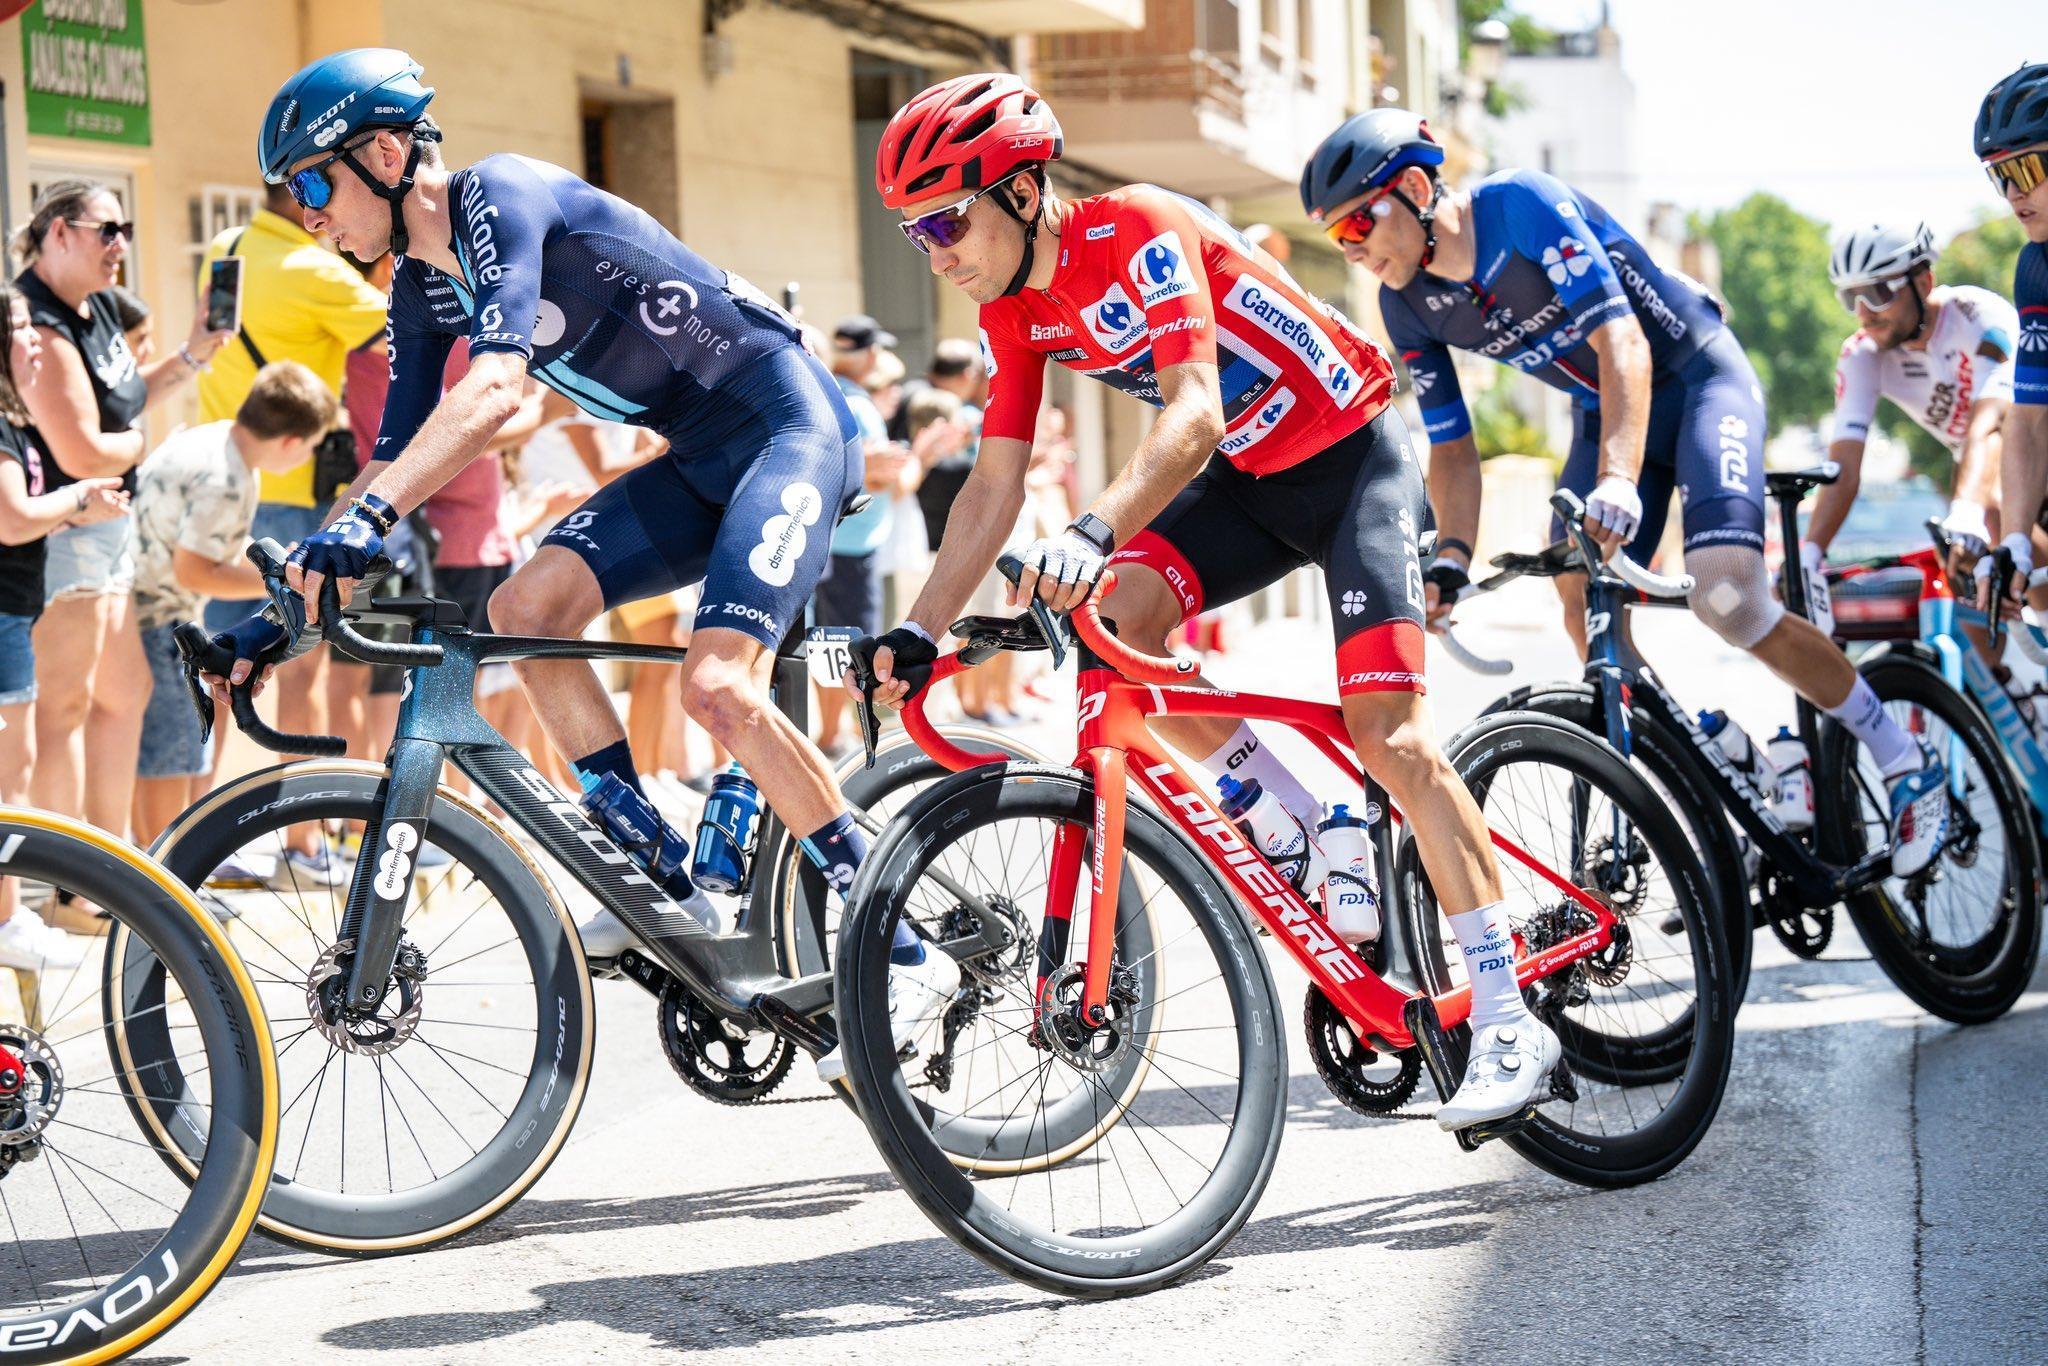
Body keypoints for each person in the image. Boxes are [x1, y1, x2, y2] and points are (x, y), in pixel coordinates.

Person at [225, 48, 950, 1080]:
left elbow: (497, 396)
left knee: (714, 687)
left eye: (311, 185)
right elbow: (390, 459)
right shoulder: (424, 293)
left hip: (787, 428)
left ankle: (903, 946)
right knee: (530, 606)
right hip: (699, 458)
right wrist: (288, 596)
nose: (309, 217)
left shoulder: (501, 196)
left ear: (385, 154)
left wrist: (370, 515)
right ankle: (662, 881)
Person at [856, 73, 1558, 1129]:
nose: (937, 250)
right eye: (915, 235)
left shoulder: (1134, 223)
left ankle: (1508, 1016)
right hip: (1247, 481)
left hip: (1351, 458)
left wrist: (1093, 532)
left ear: (1016, 190)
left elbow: (1191, 407)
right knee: (1114, 629)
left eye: (947, 219)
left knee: (1391, 734)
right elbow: (992, 483)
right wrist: (917, 626)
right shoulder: (1012, 312)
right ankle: (1303, 812)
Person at [1305, 109, 1951, 882]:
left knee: (1727, 595)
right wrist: (1449, 557)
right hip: (1605, 408)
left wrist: (1618, 474)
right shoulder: (1407, 305)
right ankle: (1717, 750)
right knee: (1579, 603)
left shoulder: (1521, 207)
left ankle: (1905, 759)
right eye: (1337, 239)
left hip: (1695, 376)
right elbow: (1452, 446)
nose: (1355, 252)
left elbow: (1624, 342)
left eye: (1357, 228)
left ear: (1412, 188)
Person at [14, 180, 232, 846]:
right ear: (58, 232)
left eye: (126, 230)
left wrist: (196, 350)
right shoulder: (38, 322)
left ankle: (109, 868)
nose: (120, 246)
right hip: (62, 534)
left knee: (124, 693)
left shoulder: (96, 308)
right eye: (107, 230)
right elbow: (82, 450)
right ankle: (65, 880)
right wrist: (141, 445)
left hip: (110, 530)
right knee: (65, 709)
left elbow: (126, 397)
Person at [197, 176, 390, 827]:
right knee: (297, 672)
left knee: (218, 669)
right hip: (291, 491)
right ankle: (305, 840)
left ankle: (199, 831)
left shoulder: (225, 247)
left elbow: (213, 335)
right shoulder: (321, 272)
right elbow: (402, 339)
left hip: (223, 482)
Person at [129, 362, 338, 841]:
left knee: (170, 748)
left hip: (144, 609)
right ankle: (159, 883)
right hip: (158, 615)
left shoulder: (215, 440)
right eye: (310, 445)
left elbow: (216, 541)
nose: (308, 456)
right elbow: (194, 569)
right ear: (290, 442)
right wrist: (278, 585)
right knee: (174, 751)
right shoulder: (228, 477)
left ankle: (155, 869)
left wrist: (277, 567)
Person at [1810, 222, 2018, 674]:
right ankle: (2014, 700)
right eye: (1851, 298)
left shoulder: (1978, 315)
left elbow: (1990, 425)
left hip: (2022, 447)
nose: (1864, 312)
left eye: (1878, 292)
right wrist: (1808, 555)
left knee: (1996, 509)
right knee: (1971, 589)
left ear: (1923, 282)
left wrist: (1966, 509)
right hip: (1983, 467)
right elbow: (1843, 464)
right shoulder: (1863, 355)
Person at [0, 279, 125, 969]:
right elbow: (12, 517)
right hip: (3, 620)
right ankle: (10, 922)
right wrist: (77, 497)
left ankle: (12, 917)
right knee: (9, 777)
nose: (33, 340)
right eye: (18, 328)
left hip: (14, 613)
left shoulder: (12, 418)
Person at [1973, 63, 2048, 613]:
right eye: (2001, 177)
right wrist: (2017, 539)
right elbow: (2029, 417)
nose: (2013, 195)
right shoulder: (2036, 268)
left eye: (2026, 170)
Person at [814, 315, 906, 760]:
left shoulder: (841, 396)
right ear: (870, 354)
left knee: (838, 638)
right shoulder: (854, 402)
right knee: (847, 641)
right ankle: (835, 734)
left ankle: (836, 731)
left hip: (847, 543)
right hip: (849, 546)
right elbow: (863, 471)